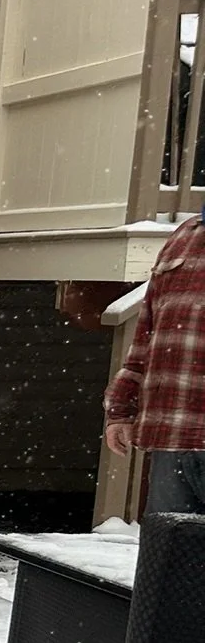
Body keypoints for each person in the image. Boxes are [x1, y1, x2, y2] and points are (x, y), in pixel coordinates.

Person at [106, 213, 205, 514]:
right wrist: (121, 409)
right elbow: (147, 334)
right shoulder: (185, 236)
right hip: (171, 440)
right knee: (166, 557)